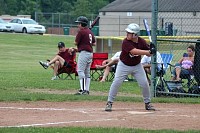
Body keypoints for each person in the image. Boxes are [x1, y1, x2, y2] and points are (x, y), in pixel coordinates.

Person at [105, 23, 156, 112]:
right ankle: (109, 102)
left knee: (144, 83)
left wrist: (152, 49)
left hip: (137, 66)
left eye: (129, 33)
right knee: (116, 82)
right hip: (123, 65)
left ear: (135, 34)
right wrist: (147, 52)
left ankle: (147, 103)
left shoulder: (141, 41)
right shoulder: (125, 42)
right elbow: (134, 51)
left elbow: (148, 50)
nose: (127, 34)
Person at [71, 16, 96, 95]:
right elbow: (94, 43)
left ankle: (82, 90)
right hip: (90, 53)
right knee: (87, 72)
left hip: (84, 53)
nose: (78, 25)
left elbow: (75, 42)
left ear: (82, 24)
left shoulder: (81, 32)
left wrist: (82, 39)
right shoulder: (90, 32)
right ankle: (87, 90)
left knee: (80, 71)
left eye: (79, 23)